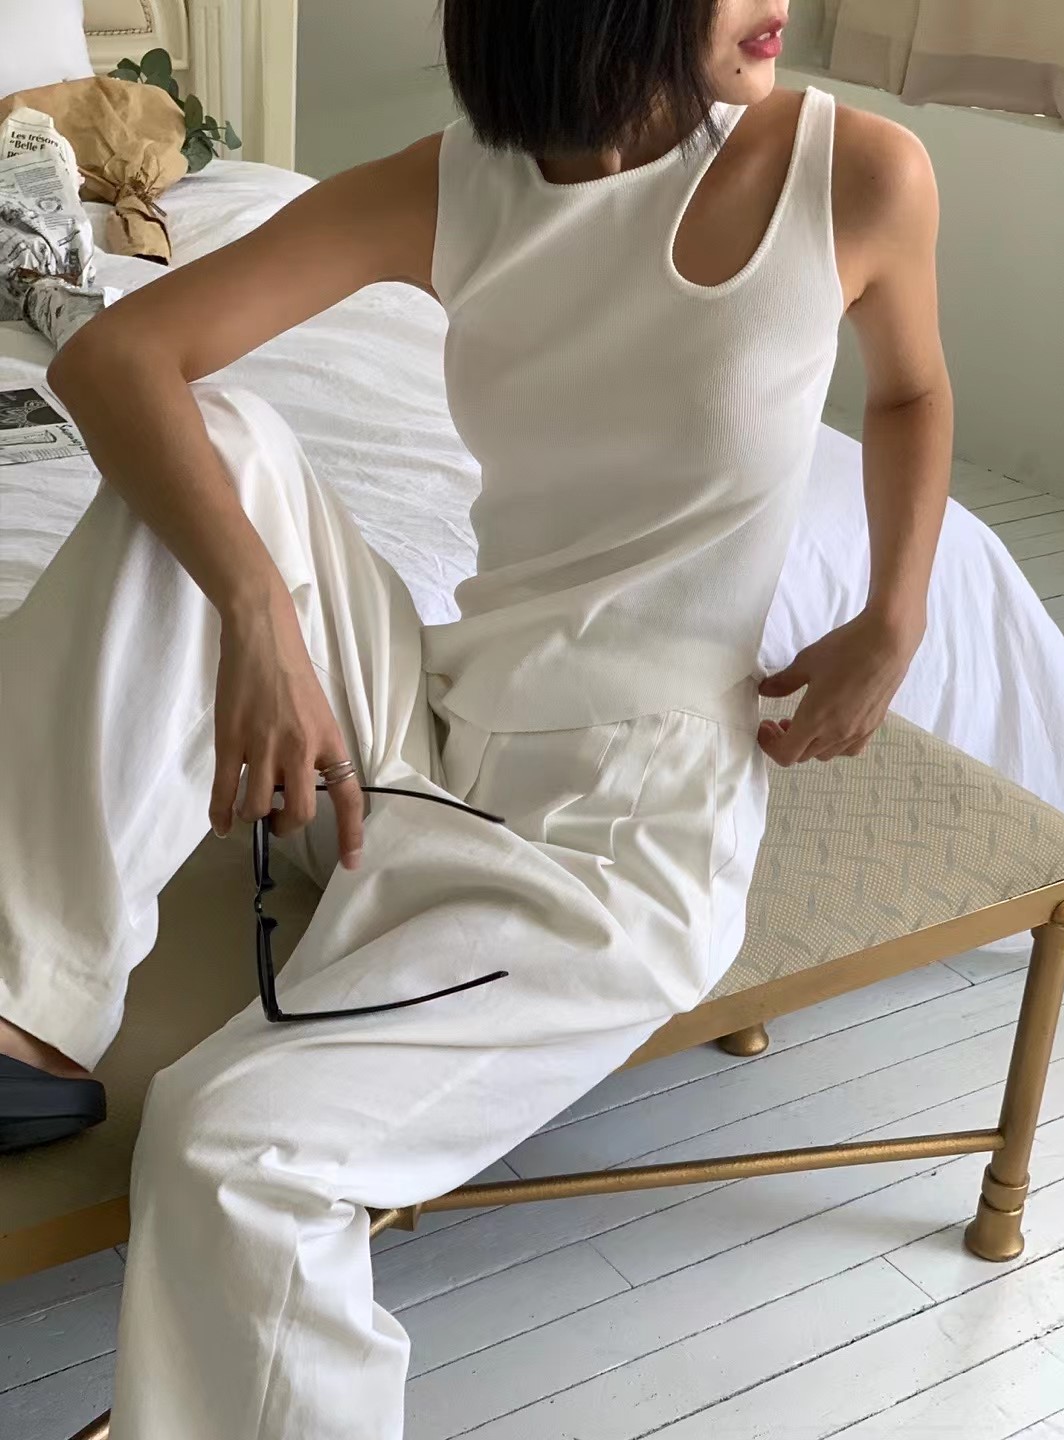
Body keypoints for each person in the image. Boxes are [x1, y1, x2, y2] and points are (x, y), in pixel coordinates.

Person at [0, 1, 953, 1434]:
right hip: (424, 736)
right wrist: (259, 615)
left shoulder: (856, 173)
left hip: (621, 845)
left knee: (226, 1144)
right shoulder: (458, 185)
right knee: (226, 449)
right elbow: (112, 359)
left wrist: (896, 612)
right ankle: (25, 1011)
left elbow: (914, 391)